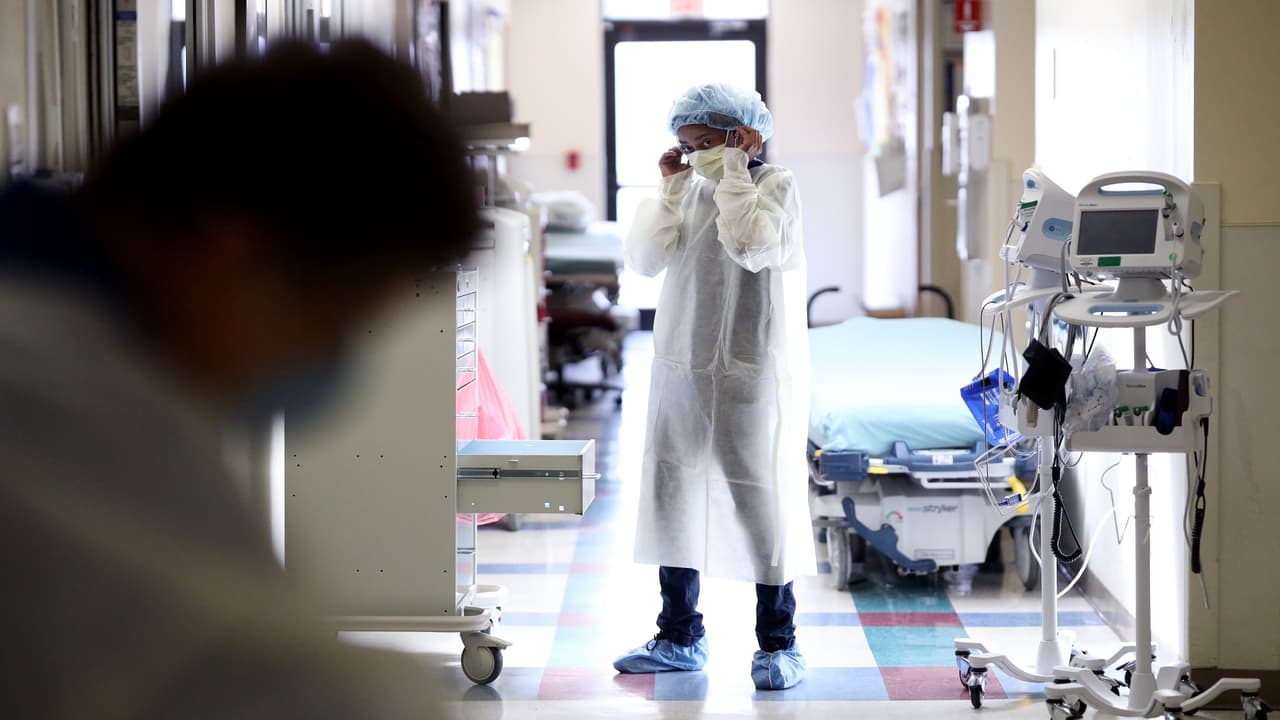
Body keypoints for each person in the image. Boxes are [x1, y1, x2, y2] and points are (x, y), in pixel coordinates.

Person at [0, 41, 479, 717]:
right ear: (231, 250)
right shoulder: (53, 396)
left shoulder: (87, 348)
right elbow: (262, 678)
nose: (328, 359)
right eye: (332, 321)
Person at [615, 83, 814, 691]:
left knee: (760, 501)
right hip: (682, 367)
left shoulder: (775, 184)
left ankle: (778, 643)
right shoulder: (691, 188)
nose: (695, 154)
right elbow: (644, 261)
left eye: (706, 143)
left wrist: (732, 172)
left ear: (744, 136)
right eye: (687, 144)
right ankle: (679, 636)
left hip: (752, 372)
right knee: (673, 494)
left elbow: (753, 246)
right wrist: (671, 189)